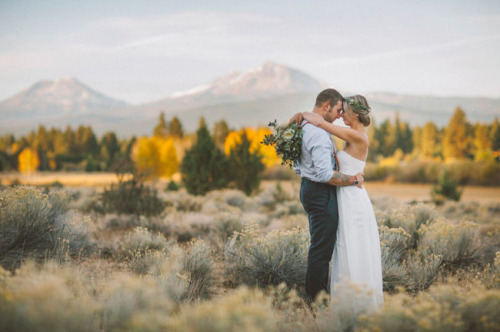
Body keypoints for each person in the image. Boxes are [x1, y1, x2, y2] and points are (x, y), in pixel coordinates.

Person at [294, 94, 384, 310]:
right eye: (339, 110)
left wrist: (305, 115)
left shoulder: (358, 136)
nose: (341, 115)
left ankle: (356, 304)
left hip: (352, 199)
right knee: (343, 248)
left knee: (353, 248)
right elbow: (320, 122)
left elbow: (320, 122)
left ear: (354, 113)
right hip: (343, 196)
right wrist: (302, 116)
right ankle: (342, 302)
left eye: (343, 110)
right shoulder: (351, 134)